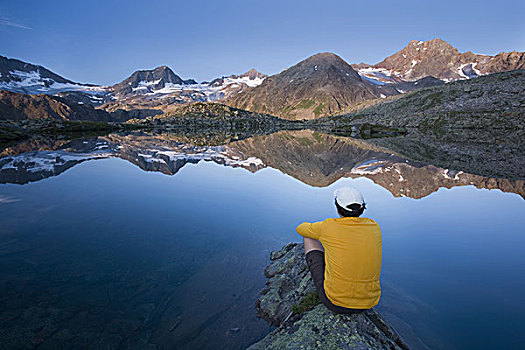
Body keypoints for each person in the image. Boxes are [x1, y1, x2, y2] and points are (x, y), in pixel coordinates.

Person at [296, 186, 382, 314]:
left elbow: (300, 228)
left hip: (335, 301)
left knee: (309, 237)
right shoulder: (374, 227)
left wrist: (321, 232)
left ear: (338, 209)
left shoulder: (329, 226)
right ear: (362, 209)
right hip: (369, 302)